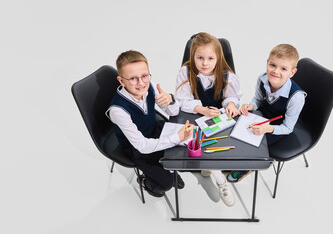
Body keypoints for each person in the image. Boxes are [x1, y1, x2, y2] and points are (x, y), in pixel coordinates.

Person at [106, 50, 194, 197]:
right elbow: (142, 145)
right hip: (137, 148)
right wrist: (176, 138)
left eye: (144, 76)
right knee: (165, 185)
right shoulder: (118, 110)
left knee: (187, 151)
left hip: (155, 129)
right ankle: (146, 182)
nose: (141, 83)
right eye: (133, 78)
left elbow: (173, 112)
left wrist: (170, 99)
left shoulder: (149, 85)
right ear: (121, 81)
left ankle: (170, 170)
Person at [175, 32, 242, 207]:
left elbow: (232, 97)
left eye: (211, 58)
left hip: (219, 117)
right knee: (199, 144)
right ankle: (221, 182)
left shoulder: (226, 75)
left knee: (218, 144)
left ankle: (208, 168)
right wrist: (201, 109)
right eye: (200, 58)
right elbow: (182, 101)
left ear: (218, 58)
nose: (205, 63)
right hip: (194, 116)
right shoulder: (186, 72)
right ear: (193, 57)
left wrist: (230, 105)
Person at [227, 44, 307, 183]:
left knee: (253, 143)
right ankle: (236, 160)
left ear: (292, 73)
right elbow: (258, 99)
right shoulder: (262, 79)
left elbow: (288, 128)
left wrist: (267, 129)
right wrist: (251, 105)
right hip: (264, 115)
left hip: (278, 126)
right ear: (267, 63)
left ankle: (247, 166)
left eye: (283, 69)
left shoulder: (297, 98)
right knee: (237, 130)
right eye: (273, 65)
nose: (276, 71)